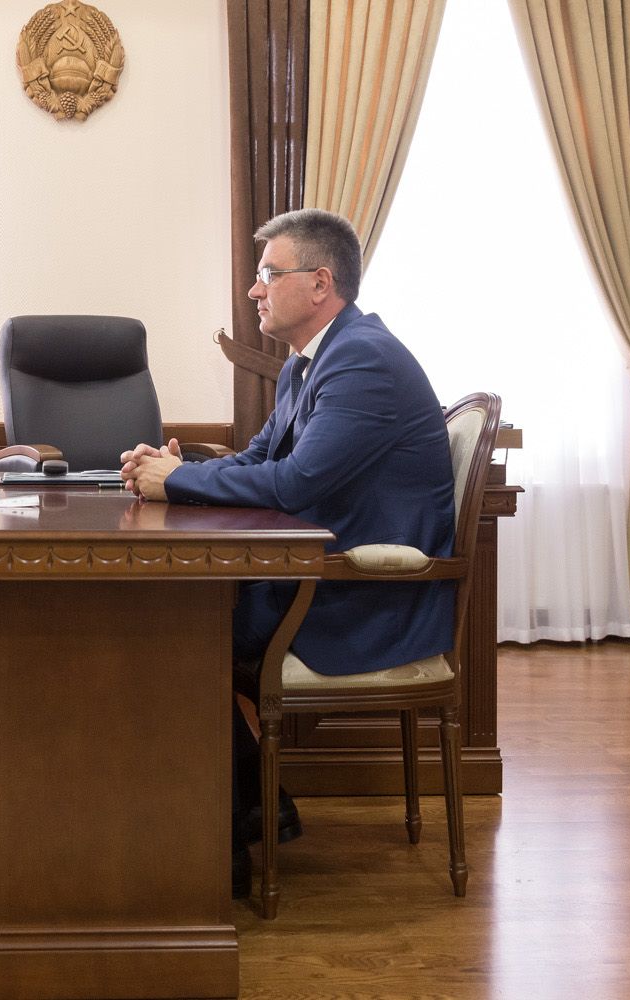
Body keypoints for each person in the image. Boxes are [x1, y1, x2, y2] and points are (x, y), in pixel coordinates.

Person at [120, 208, 455, 897]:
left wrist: (177, 482)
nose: (254, 290)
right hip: (314, 579)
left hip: (360, 598)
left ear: (320, 283)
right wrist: (178, 467)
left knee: (168, 632)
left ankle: (220, 847)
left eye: (269, 274)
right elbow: (260, 459)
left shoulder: (361, 359)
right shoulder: (313, 361)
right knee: (165, 621)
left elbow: (297, 483)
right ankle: (250, 811)